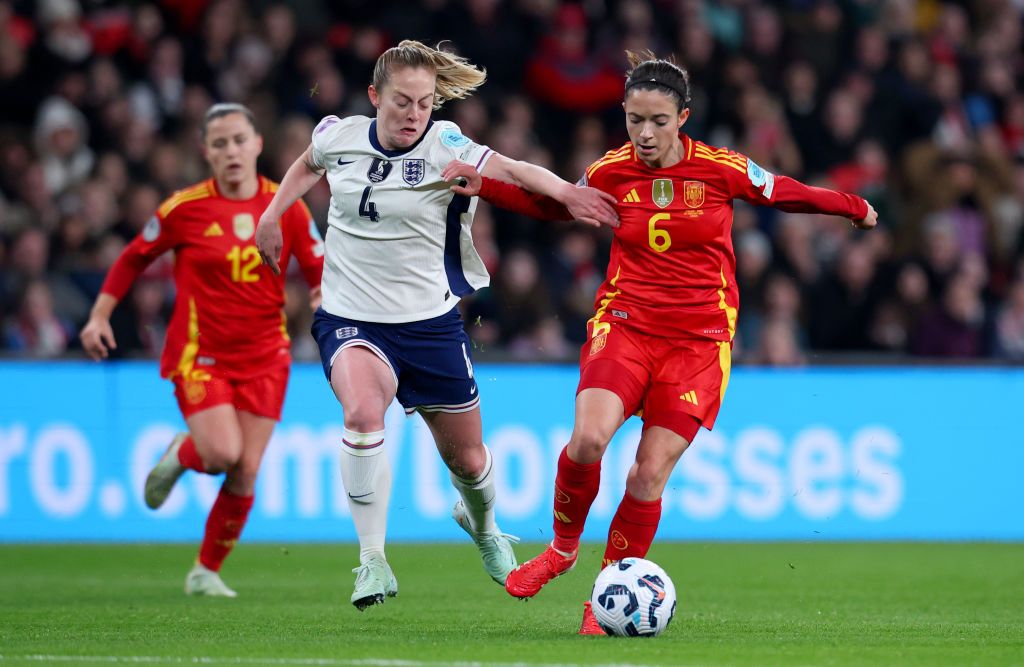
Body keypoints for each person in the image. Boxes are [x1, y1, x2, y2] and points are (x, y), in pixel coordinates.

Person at [443, 49, 877, 634]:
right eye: (634, 120)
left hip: (699, 339)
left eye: (658, 122)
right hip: (626, 321)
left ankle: (603, 598)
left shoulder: (721, 169)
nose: (644, 134)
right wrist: (486, 188)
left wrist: (854, 208)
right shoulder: (610, 170)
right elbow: (557, 206)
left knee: (647, 475)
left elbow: (783, 191)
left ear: (684, 118)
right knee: (589, 440)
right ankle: (563, 550)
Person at [254, 39, 617, 611]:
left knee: (469, 462)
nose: (414, 115)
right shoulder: (338, 135)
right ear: (375, 97)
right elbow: (307, 165)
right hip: (351, 316)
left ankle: (486, 527)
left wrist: (568, 193)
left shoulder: (446, 143)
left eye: (425, 103)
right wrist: (274, 213)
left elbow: (514, 168)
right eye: (402, 102)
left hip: (430, 325)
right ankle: (371, 561)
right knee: (362, 412)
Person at [79, 103, 324, 598]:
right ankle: (182, 451)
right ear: (205, 152)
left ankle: (204, 571)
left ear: (257, 144)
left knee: (246, 469)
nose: (230, 151)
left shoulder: (287, 206)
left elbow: (319, 270)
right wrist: (99, 315)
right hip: (201, 353)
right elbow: (132, 258)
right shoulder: (183, 208)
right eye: (219, 143)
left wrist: (323, 304)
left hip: (266, 355)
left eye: (239, 140)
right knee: (220, 454)